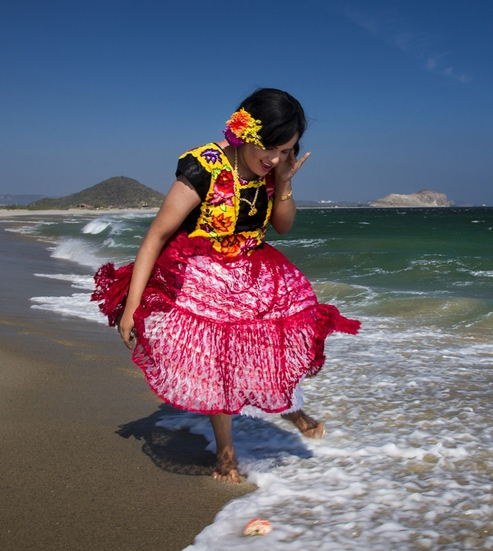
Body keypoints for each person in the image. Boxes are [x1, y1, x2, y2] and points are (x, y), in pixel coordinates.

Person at [92, 88, 360, 483]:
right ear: (244, 132)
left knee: (276, 341)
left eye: (285, 150)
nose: (273, 159)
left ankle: (290, 408)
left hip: (252, 267)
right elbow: (157, 235)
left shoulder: (276, 170)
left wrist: (284, 181)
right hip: (201, 270)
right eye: (268, 149)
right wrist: (133, 306)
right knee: (221, 362)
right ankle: (226, 453)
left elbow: (282, 226)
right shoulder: (204, 166)